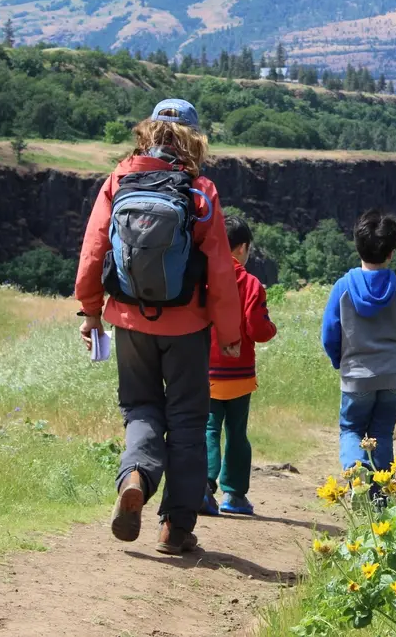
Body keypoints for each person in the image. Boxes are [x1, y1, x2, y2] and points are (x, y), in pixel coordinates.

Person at [75, 99, 242, 555]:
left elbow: (93, 251)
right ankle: (176, 528)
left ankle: (135, 476)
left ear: (146, 131)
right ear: (195, 138)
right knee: (188, 421)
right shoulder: (201, 190)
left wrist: (91, 311)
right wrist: (230, 333)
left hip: (128, 319)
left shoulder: (119, 179)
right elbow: (221, 273)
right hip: (187, 325)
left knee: (141, 408)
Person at [321, 210, 396, 473]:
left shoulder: (342, 287)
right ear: (392, 252)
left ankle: (358, 475)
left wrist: (340, 362)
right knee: (382, 432)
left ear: (357, 247)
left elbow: (329, 335)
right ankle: (381, 493)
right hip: (392, 374)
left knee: (352, 429)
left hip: (355, 374)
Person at [200, 214, 277, 518]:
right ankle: (235, 495)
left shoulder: (203, 279)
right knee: (236, 432)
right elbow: (257, 328)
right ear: (243, 247)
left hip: (206, 374)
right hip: (240, 375)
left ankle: (204, 489)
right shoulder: (252, 284)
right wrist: (270, 328)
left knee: (207, 429)